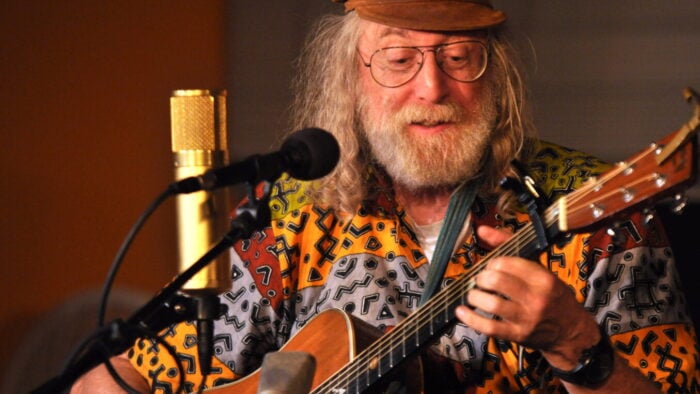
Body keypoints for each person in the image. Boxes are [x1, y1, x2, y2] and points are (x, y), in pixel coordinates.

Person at [72, 0, 699, 392]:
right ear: (352, 80)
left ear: (497, 78)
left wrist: (575, 345)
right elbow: (120, 378)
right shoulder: (298, 213)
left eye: (459, 57)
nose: (433, 88)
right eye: (399, 59)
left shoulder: (603, 215)